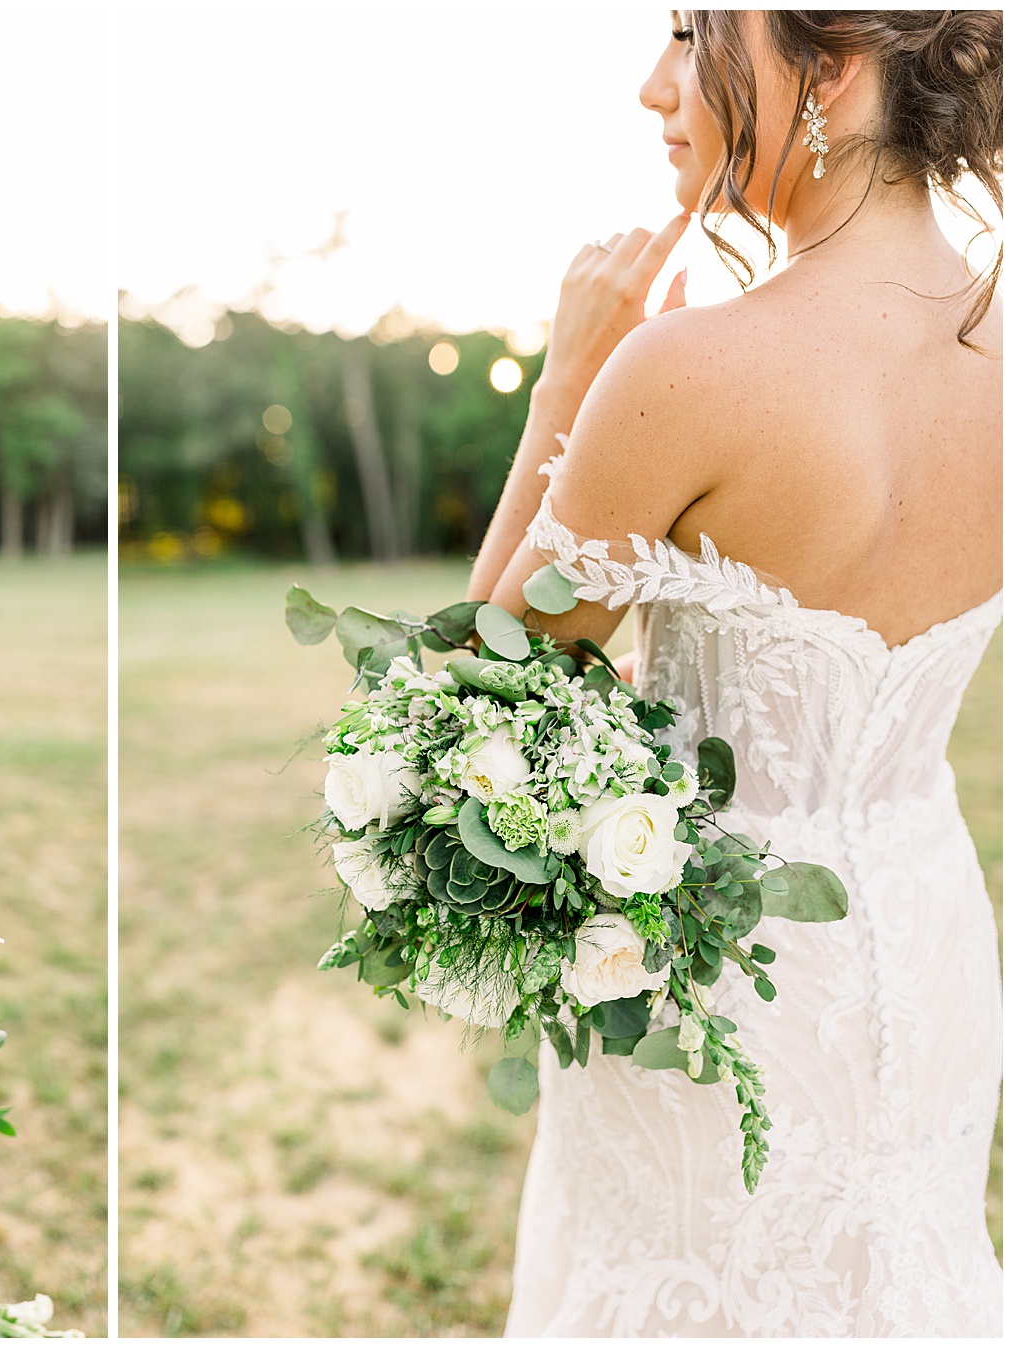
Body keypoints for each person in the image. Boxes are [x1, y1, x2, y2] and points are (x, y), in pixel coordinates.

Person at [467, 10, 1001, 1336]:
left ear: (832, 68)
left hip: (710, 982)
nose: (657, 87)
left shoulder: (687, 368)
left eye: (697, 31)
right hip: (929, 943)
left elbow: (482, 692)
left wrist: (563, 388)